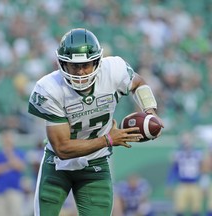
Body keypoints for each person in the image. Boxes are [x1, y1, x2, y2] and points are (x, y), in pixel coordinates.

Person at [28, 28, 163, 216]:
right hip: (57, 164)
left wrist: (150, 111)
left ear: (97, 61)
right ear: (62, 64)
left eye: (86, 64)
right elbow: (62, 148)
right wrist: (108, 140)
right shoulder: (49, 88)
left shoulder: (114, 70)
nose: (81, 72)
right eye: (74, 66)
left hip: (95, 164)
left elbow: (139, 83)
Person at [0, 129, 27, 216]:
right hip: (0, 190)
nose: (7, 140)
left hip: (15, 189)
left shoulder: (19, 152)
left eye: (9, 138)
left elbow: (20, 167)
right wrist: (9, 165)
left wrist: (10, 154)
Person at [166, 131, 204, 216]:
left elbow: (202, 170)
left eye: (188, 139)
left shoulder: (198, 154)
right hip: (182, 184)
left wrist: (203, 183)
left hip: (194, 184)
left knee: (196, 208)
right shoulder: (177, 154)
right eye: (185, 139)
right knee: (179, 208)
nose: (187, 142)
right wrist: (170, 183)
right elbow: (173, 170)